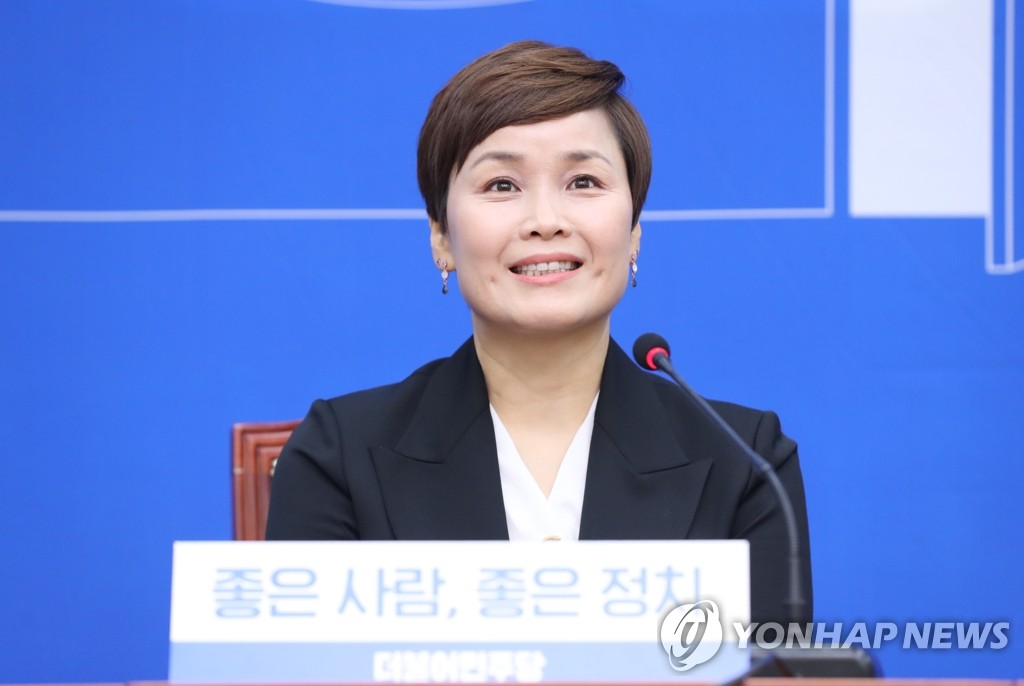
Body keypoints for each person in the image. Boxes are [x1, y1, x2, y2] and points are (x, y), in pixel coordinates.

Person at [265, 40, 812, 625]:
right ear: (441, 237)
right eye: (502, 185)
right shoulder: (339, 457)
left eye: (584, 182)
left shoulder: (746, 461)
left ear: (633, 232)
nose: (545, 221)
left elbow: (774, 664)